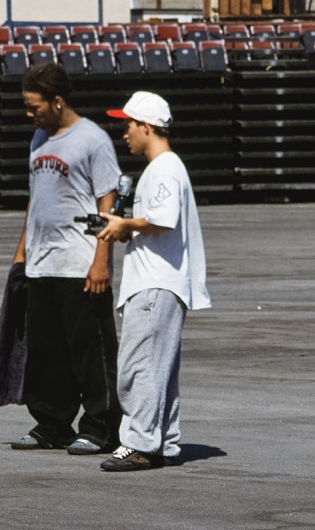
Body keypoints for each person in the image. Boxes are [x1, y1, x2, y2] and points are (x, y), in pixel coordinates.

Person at [10, 63, 123, 454]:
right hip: (42, 264)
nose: (29, 114)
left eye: (34, 106)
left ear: (57, 102)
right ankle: (52, 424)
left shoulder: (92, 140)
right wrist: (22, 251)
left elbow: (107, 203)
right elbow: (37, 198)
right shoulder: (39, 138)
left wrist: (100, 260)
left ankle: (100, 427)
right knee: (47, 352)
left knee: (90, 350)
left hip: (80, 263)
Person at [96, 91, 210, 471]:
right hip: (163, 281)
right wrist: (127, 229)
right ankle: (163, 441)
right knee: (158, 366)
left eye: (128, 125)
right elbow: (158, 225)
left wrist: (126, 223)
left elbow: (164, 219)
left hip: (155, 283)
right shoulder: (165, 168)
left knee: (136, 365)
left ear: (146, 126)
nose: (124, 132)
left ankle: (140, 442)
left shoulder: (163, 168)